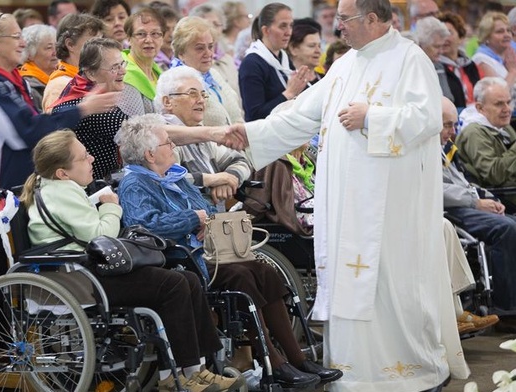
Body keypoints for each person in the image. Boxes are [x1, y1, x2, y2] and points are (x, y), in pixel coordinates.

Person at [224, 0, 468, 390]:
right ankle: (353, 369)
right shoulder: (345, 64)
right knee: (350, 276)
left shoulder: (409, 59)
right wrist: (247, 133)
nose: (337, 28)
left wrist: (372, 117)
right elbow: (302, 114)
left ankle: (401, 370)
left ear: (372, 19)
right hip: (344, 200)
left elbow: (426, 118)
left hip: (390, 204)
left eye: (344, 19)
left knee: (389, 280)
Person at [115, 114, 342, 389]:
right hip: (178, 261)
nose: (174, 147)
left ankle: (296, 358)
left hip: (206, 252)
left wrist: (205, 220)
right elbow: (145, 226)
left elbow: (208, 209)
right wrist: (193, 219)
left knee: (264, 270)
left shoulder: (175, 177)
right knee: (241, 277)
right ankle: (273, 361)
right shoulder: (135, 184)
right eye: (168, 143)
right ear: (151, 154)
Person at [23, 129, 242, 392]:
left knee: (187, 280)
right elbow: (101, 234)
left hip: (86, 271)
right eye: (83, 157)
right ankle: (179, 374)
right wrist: (110, 205)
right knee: (173, 284)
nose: (92, 159)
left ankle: (198, 370)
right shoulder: (62, 193)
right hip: (79, 279)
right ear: (63, 172)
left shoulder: (61, 189)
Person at [0, 12, 119, 302]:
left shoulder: (6, 80)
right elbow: (26, 132)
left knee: (4, 275)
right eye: (16, 36)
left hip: (11, 189)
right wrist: (82, 108)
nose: (22, 42)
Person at [441, 96, 516, 314]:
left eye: (454, 124)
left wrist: (488, 198)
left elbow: (464, 182)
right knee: (507, 228)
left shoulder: (445, 147)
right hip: (451, 210)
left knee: (512, 222)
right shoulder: (424, 150)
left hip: (469, 202)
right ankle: (506, 308)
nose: (453, 131)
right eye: (447, 125)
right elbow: (437, 189)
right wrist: (476, 202)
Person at [155, 66, 251, 207]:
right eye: (192, 94)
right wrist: (212, 179)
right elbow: (167, 178)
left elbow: (241, 160)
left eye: (203, 95)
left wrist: (230, 177)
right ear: (168, 102)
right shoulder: (160, 137)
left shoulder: (199, 132)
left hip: (214, 221)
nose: (201, 100)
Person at [51, 38, 127, 181]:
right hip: (92, 191)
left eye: (122, 64)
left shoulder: (86, 92)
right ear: (91, 73)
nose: (123, 71)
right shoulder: (89, 106)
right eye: (114, 67)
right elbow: (141, 133)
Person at [238, 3, 312, 121]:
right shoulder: (251, 64)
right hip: (264, 136)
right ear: (266, 30)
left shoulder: (283, 58)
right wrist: (288, 94)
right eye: (283, 26)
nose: (288, 32)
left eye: (290, 25)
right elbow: (254, 115)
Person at [171, 16, 243, 126]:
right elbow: (195, 135)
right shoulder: (179, 85)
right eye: (200, 48)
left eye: (210, 46)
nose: (209, 53)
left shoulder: (213, 74)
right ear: (181, 53)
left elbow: (237, 117)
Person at [455, 77, 516, 204]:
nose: (507, 109)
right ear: (480, 108)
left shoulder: (502, 126)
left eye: (508, 102)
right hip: (498, 200)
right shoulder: (473, 132)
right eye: (499, 104)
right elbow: (494, 175)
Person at [42, 13, 103, 112]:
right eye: (93, 42)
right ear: (70, 44)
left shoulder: (95, 76)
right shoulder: (59, 85)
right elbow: (58, 125)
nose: (101, 48)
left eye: (101, 41)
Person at [119, 6, 166, 117]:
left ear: (162, 39)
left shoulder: (161, 72)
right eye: (141, 34)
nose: (149, 40)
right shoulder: (123, 75)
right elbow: (137, 127)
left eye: (155, 34)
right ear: (129, 39)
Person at [438, 12, 482, 111]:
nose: (444, 38)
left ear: (461, 37)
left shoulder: (470, 65)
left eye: (449, 33)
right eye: (441, 33)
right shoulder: (435, 67)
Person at [20, 24, 58, 112]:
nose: (55, 52)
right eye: (49, 48)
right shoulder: (29, 86)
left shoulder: (60, 77)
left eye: (56, 46)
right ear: (30, 54)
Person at [414, 17, 453, 103]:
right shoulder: (412, 68)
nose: (441, 51)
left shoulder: (439, 66)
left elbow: (448, 99)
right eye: (436, 47)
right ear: (421, 44)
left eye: (442, 46)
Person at [471, 12, 516, 87]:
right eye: (500, 32)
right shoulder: (481, 60)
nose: (506, 35)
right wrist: (512, 71)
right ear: (486, 37)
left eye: (508, 31)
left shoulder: (508, 57)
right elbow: (498, 94)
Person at [288, 19, 324, 85]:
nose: (318, 51)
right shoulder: (284, 79)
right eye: (311, 46)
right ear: (293, 49)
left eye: (319, 46)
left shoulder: (326, 80)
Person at [153, 4, 180, 71]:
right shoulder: (150, 60)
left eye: (174, 29)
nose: (172, 34)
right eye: (166, 29)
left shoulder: (182, 58)